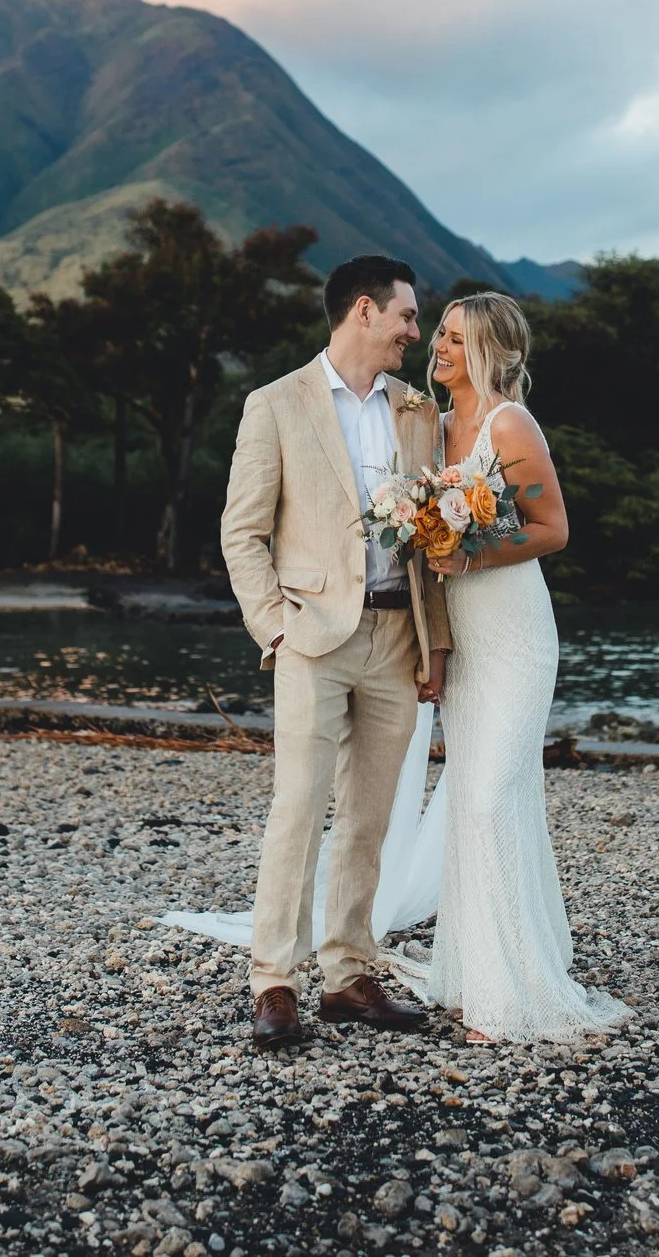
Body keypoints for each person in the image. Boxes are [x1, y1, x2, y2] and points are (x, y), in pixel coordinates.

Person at [213, 255, 453, 1049]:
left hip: (396, 636)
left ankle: (349, 973)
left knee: (369, 817)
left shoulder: (419, 412)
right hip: (312, 636)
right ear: (363, 310)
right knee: (296, 808)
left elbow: (436, 535)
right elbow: (241, 531)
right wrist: (274, 627)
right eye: (408, 317)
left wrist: (435, 644)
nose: (415, 333)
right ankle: (273, 980)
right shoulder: (275, 404)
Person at [414, 292, 630, 1043]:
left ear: (490, 352)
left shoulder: (510, 423)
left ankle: (510, 994)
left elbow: (553, 528)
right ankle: (475, 973)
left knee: (484, 798)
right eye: (438, 333)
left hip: (514, 634)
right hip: (464, 639)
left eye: (453, 337)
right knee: (482, 800)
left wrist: (470, 547)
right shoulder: (435, 428)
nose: (438, 346)